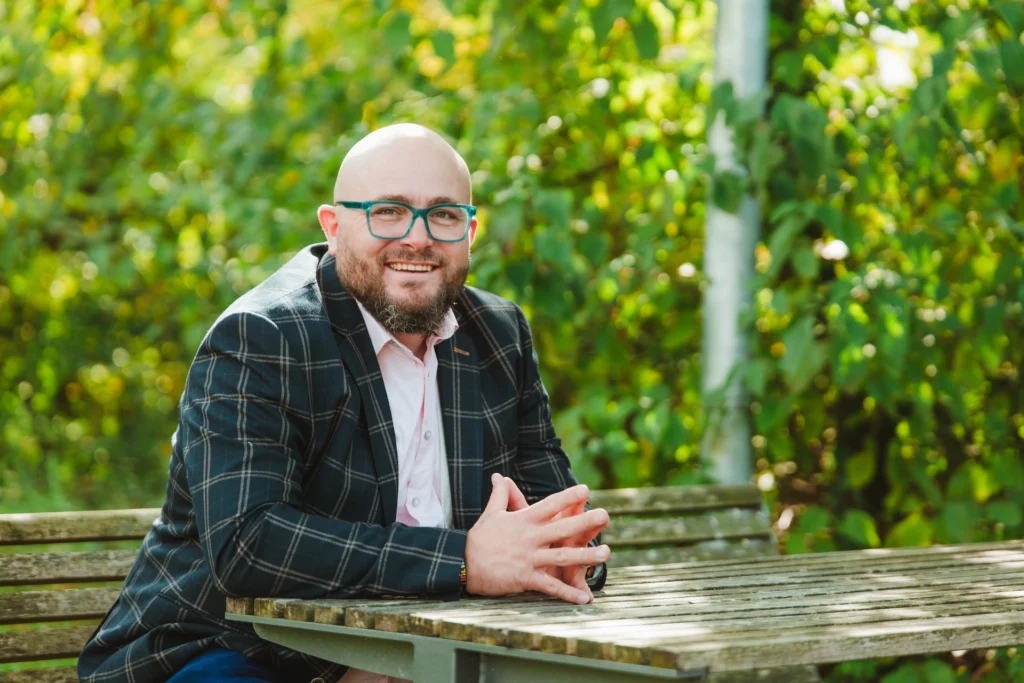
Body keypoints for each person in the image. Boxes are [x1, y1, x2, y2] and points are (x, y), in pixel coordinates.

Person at [78, 123, 610, 683]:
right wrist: (463, 560)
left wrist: (564, 555)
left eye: (446, 214)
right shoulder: (261, 337)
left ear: (470, 231)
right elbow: (248, 546)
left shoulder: (499, 335)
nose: (418, 237)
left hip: (432, 654)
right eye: (388, 211)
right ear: (333, 228)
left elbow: (563, 530)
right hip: (232, 649)